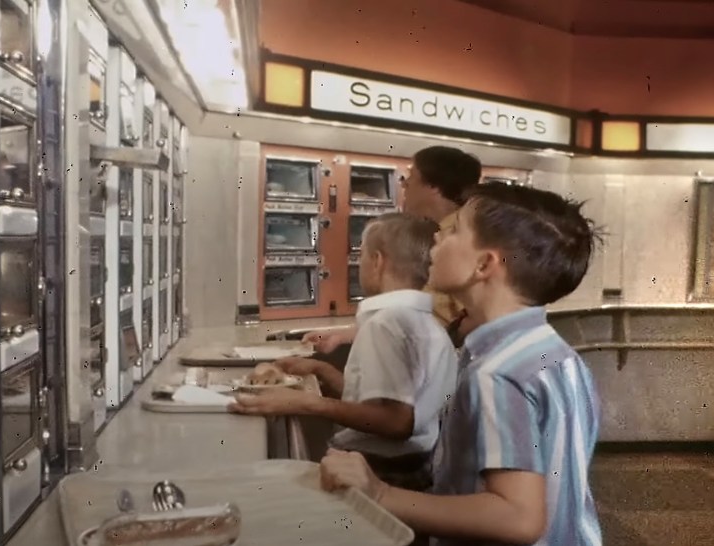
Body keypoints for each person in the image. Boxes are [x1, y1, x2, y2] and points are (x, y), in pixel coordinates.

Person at [319, 184, 603, 546]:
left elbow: (517, 517)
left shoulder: (497, 374)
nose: (437, 235)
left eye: (454, 230)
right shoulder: (556, 353)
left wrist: (379, 493)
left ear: (484, 264)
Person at [231, 213, 458, 491]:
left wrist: (308, 404)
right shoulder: (426, 322)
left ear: (377, 261)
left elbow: (397, 422)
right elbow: (374, 402)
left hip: (380, 469)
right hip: (412, 464)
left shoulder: (386, 323)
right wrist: (321, 371)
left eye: (361, 255)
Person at [304, 146, 482, 351]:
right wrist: (342, 335)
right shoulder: (432, 233)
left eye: (412, 176)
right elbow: (420, 319)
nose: (404, 184)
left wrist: (443, 351)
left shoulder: (460, 243)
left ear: (433, 186)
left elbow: (474, 317)